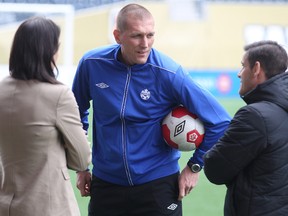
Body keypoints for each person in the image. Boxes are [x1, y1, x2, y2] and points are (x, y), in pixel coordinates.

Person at [73, 3, 231, 216]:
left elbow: (220, 121)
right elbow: (74, 114)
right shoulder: (92, 64)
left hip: (158, 185)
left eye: (150, 35)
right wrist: (81, 167)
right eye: (137, 36)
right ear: (118, 36)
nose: (145, 44)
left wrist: (194, 166)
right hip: (106, 184)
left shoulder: (169, 72)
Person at [0, 16, 91, 216]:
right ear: (49, 51)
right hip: (49, 207)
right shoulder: (57, 95)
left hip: (6, 204)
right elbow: (81, 159)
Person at [203, 40, 288, 216]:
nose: (239, 74)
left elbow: (215, 170)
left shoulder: (254, 116)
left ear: (256, 69)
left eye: (243, 66)